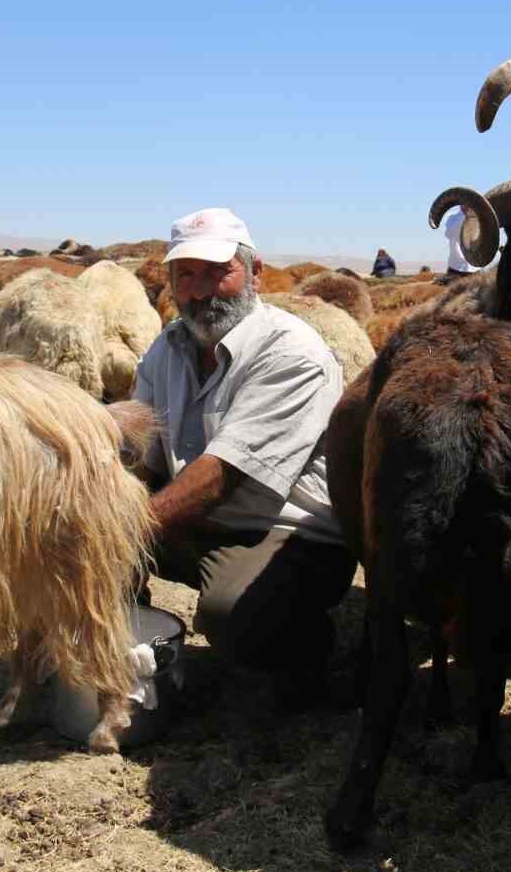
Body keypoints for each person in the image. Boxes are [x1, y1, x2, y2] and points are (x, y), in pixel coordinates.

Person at [131, 207, 355, 710]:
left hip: (286, 534)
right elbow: (139, 451)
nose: (200, 291)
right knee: (90, 538)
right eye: (186, 275)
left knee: (232, 614)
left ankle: (307, 651)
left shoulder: (291, 353)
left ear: (255, 273)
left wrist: (124, 528)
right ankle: (127, 637)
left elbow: (222, 477)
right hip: (195, 517)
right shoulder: (167, 348)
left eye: (218, 272)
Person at [440, 207, 486, 282]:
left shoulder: (478, 218)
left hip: (474, 268)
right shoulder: (452, 217)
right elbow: (449, 233)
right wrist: (465, 215)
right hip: (456, 267)